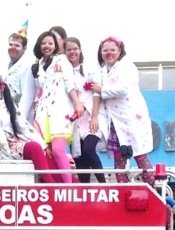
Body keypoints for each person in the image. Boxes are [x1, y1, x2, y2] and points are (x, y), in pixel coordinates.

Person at [90, 37, 156, 186]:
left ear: (119, 52)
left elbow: (124, 88)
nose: (108, 53)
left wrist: (102, 89)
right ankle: (121, 186)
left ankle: (152, 187)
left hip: (130, 116)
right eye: (105, 50)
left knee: (139, 154)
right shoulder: (102, 70)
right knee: (118, 156)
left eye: (112, 50)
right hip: (114, 119)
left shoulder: (127, 66)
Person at [0, 76, 62, 179]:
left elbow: (24, 125)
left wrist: (44, 145)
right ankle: (50, 185)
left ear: (1, 89)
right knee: (35, 149)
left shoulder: (8, 104)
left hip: (16, 143)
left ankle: (58, 185)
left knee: (39, 149)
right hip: (0, 147)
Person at [30, 30, 84, 184]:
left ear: (55, 46)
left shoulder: (61, 60)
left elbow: (69, 82)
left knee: (59, 150)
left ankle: (69, 189)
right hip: (42, 114)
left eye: (50, 43)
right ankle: (54, 186)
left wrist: (77, 104)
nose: (47, 46)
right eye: (44, 43)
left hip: (60, 112)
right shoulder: (37, 66)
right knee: (46, 152)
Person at [65, 37, 106, 183]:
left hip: (92, 115)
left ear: (80, 49)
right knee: (79, 157)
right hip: (74, 119)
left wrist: (94, 116)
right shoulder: (65, 70)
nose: (72, 52)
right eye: (69, 49)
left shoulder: (90, 65)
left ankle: (104, 186)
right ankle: (85, 191)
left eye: (75, 48)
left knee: (89, 149)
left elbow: (97, 92)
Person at [4, 31, 35, 122]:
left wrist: (19, 122)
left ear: (24, 49)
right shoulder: (4, 66)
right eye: (10, 44)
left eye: (17, 46)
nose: (13, 48)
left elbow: (27, 96)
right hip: (8, 115)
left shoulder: (28, 66)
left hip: (22, 118)